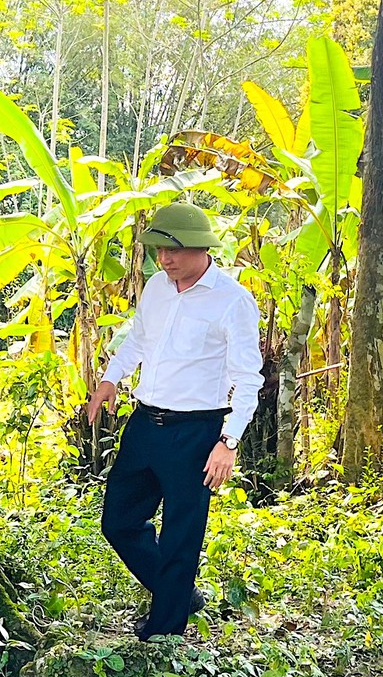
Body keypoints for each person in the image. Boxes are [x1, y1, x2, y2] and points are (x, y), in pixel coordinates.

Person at [85, 201, 263, 640]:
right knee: (119, 522)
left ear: (202, 248)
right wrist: (110, 380)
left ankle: (163, 634)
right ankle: (179, 593)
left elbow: (248, 378)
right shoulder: (157, 288)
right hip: (145, 423)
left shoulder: (233, 301)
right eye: (159, 250)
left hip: (197, 431)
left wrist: (228, 442)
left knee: (181, 537)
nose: (164, 259)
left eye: (173, 251)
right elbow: (138, 340)